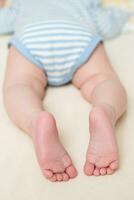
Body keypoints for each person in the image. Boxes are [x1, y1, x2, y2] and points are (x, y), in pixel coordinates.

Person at [1, 0, 128, 182]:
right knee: (102, 80)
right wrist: (122, 16)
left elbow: (3, 22)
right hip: (78, 37)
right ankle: (106, 111)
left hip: (32, 37)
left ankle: (35, 120)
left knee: (20, 86)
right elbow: (107, 26)